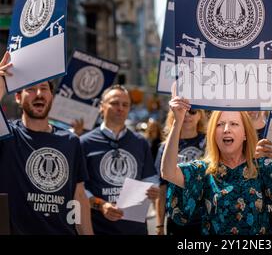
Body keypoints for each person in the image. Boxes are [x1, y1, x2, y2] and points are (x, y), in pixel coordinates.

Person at [161, 84, 272, 234]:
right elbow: (168, 172)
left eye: (234, 124)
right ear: (213, 134)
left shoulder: (261, 168)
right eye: (220, 125)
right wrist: (178, 122)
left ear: (245, 134)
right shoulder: (203, 170)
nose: (226, 129)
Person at [0, 52, 93, 235]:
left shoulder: (71, 141)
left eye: (44, 88)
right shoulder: (7, 135)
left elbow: (79, 195)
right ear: (18, 97)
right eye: (31, 89)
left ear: (52, 97)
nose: (39, 94)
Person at [80, 84, 159, 235]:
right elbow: (78, 188)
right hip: (98, 228)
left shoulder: (140, 142)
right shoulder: (84, 143)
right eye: (114, 103)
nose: (120, 108)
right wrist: (100, 205)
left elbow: (150, 177)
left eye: (125, 104)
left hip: (135, 229)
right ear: (101, 107)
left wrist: (153, 190)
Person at [154, 108, 207, 235]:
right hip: (176, 219)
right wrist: (159, 225)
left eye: (193, 111)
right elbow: (162, 190)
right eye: (183, 111)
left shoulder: (210, 143)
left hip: (206, 217)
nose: (187, 115)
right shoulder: (166, 148)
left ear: (200, 115)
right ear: (174, 115)